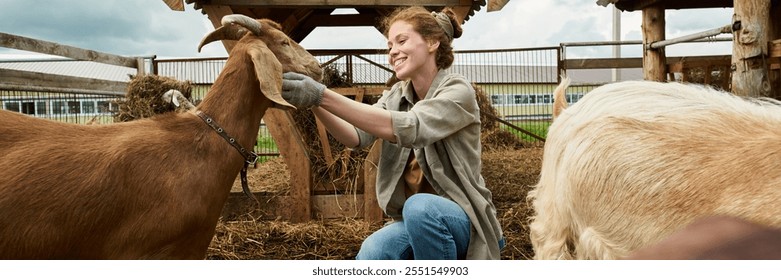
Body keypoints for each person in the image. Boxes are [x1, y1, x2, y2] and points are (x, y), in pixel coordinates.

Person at [280, 6, 503, 260]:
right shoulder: (397, 95)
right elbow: (356, 136)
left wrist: (322, 94)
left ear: (432, 42)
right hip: (413, 220)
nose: (392, 51)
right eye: (389, 46)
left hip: (465, 221)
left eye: (402, 41)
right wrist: (315, 103)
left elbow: (412, 127)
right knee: (372, 253)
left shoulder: (457, 91)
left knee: (420, 207)